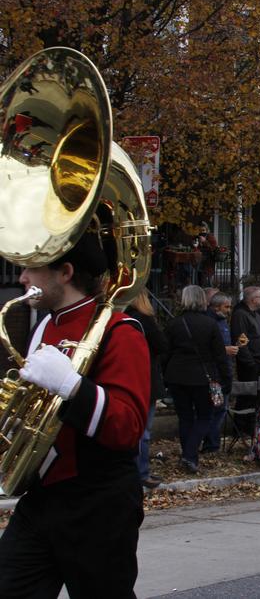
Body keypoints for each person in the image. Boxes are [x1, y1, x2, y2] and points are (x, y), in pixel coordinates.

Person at [0, 233, 149, 596]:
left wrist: (71, 385)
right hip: (42, 496)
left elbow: (127, 428)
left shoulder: (121, 331)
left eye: (31, 270)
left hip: (100, 502)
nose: (21, 279)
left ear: (65, 272)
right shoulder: (43, 327)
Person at [163, 285, 230, 474]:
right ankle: (189, 455)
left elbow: (165, 353)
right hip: (203, 377)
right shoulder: (210, 325)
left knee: (185, 418)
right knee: (204, 417)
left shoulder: (174, 323)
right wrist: (226, 379)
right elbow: (220, 356)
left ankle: (189, 456)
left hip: (177, 377)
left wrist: (164, 377)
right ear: (203, 300)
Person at [128, 289, 168, 490]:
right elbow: (161, 345)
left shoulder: (121, 318)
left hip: (126, 378)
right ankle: (141, 472)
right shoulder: (144, 320)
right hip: (146, 379)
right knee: (144, 430)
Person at [202, 292, 240, 453]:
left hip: (224, 372)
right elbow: (206, 348)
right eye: (226, 306)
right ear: (216, 306)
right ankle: (211, 445)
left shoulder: (222, 321)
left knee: (221, 409)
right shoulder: (209, 322)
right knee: (216, 409)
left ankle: (212, 443)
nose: (229, 310)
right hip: (214, 376)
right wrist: (226, 350)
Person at [230, 286, 260, 383]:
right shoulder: (241, 315)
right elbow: (241, 340)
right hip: (249, 366)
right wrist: (250, 363)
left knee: (257, 394)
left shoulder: (254, 314)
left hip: (259, 363)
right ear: (253, 300)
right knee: (248, 394)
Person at [194, 221, 220, 286]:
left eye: (203, 230)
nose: (202, 232)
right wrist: (195, 245)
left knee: (208, 280)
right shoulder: (197, 237)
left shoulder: (210, 237)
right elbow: (196, 247)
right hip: (199, 259)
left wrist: (205, 241)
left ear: (207, 230)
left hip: (208, 261)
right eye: (200, 230)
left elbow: (214, 248)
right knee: (198, 274)